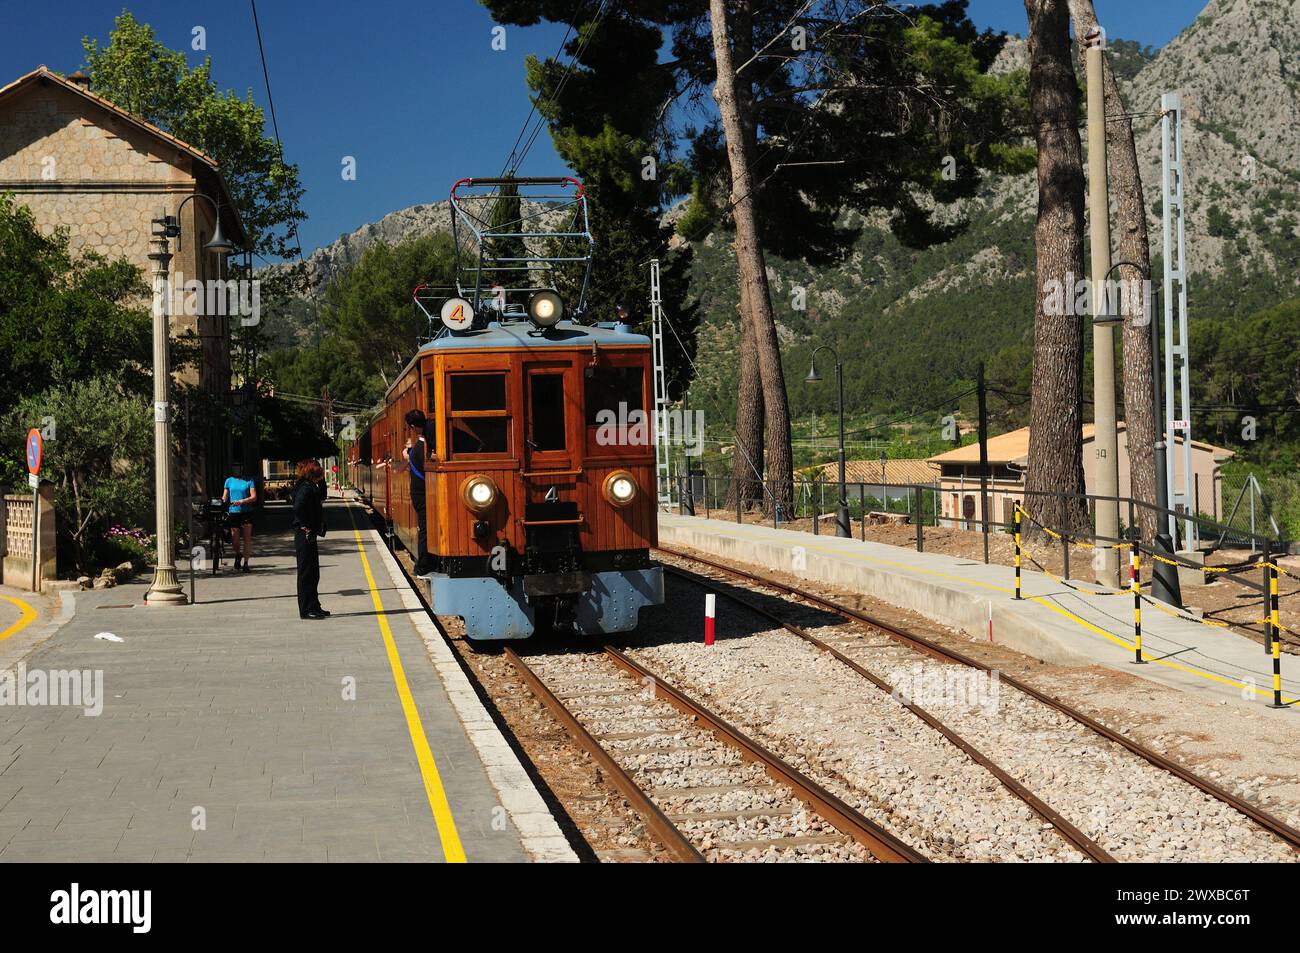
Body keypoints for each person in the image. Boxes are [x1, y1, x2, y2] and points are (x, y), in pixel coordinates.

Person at [292, 459, 329, 620]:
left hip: (309, 533)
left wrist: (322, 481)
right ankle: (306, 609)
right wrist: (305, 524)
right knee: (306, 572)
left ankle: (314, 605)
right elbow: (298, 508)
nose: (320, 473)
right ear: (312, 472)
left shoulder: (309, 485)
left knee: (313, 572)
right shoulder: (304, 488)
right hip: (304, 534)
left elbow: (323, 495)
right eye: (319, 471)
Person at [403, 408, 437, 574]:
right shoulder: (422, 447)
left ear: (413, 427)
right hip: (422, 494)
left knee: (424, 528)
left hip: (419, 494)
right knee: (425, 529)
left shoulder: (417, 448)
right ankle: (423, 564)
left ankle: (423, 564)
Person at [222, 463, 258, 572]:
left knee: (247, 538)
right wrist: (222, 501)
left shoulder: (249, 480)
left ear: (242, 468)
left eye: (239, 467)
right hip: (233, 512)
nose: (236, 469)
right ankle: (238, 554)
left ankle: (246, 563)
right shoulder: (229, 481)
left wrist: (242, 501)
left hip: (246, 512)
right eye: (234, 467)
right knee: (235, 539)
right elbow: (225, 496)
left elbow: (254, 497)